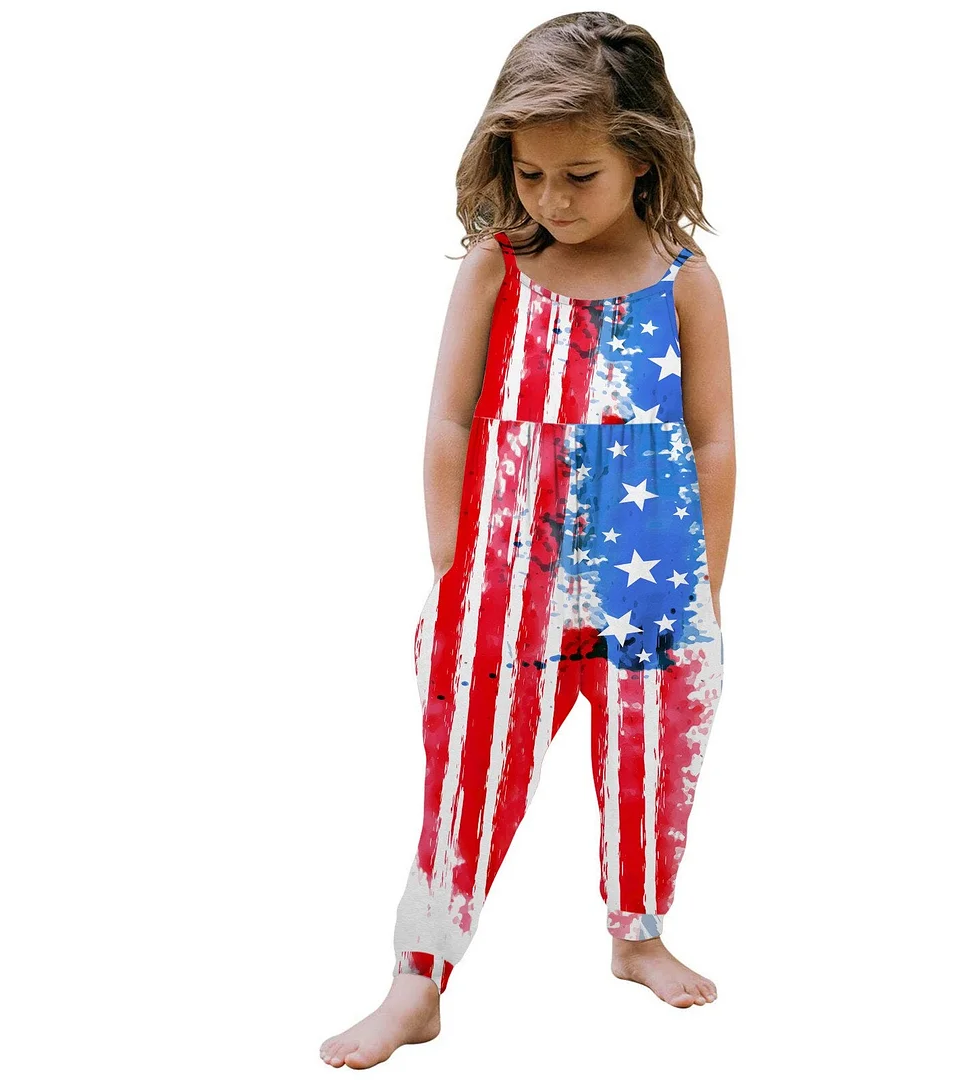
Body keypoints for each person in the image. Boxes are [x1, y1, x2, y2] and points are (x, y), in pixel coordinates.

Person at [320, 11, 734, 1069]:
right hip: (508, 571)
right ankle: (419, 977)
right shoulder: (498, 268)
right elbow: (449, 418)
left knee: (652, 753)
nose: (552, 199)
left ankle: (637, 932)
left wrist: (708, 583)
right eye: (532, 173)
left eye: (580, 176)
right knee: (468, 759)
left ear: (644, 157)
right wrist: (451, 564)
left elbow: (713, 437)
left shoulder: (684, 278)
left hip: (653, 574)